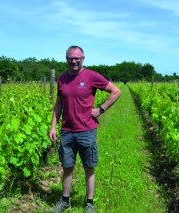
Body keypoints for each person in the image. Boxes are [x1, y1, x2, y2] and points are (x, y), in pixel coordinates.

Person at [49, 45, 121, 213]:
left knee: (89, 167)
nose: (74, 61)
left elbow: (116, 91)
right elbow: (58, 104)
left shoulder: (91, 76)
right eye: (70, 58)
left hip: (86, 130)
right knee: (67, 166)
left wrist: (100, 110)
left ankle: (89, 203)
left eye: (77, 58)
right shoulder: (62, 79)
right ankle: (65, 201)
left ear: (83, 59)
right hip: (67, 130)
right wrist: (53, 126)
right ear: (66, 59)